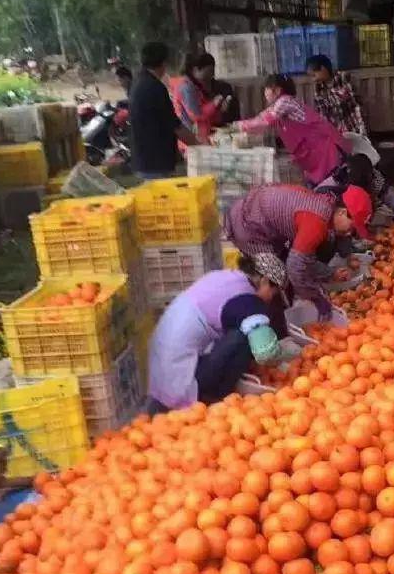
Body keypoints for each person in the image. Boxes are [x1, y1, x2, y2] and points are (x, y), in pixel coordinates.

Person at [147, 258, 282, 413]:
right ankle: (216, 398)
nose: (270, 299)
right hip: (180, 379)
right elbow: (265, 352)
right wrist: (284, 354)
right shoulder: (247, 300)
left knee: (240, 333)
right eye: (273, 293)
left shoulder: (227, 278)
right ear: (264, 281)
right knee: (244, 336)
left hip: (161, 371)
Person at [225, 183, 373, 320]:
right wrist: (315, 297)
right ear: (342, 212)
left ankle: (284, 315)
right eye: (352, 227)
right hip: (249, 226)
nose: (349, 233)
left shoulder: (325, 206)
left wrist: (329, 273)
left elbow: (305, 258)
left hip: (260, 217)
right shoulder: (317, 223)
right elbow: (295, 267)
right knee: (274, 281)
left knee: (284, 274)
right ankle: (269, 326)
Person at [234, 75, 348, 187]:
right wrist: (241, 125)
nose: (265, 93)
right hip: (314, 150)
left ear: (277, 90)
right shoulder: (278, 105)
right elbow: (261, 118)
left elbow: (265, 121)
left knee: (330, 184)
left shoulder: (284, 101)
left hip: (323, 147)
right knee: (321, 185)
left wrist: (239, 126)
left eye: (266, 89)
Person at [129, 42, 199, 179]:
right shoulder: (155, 88)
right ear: (163, 63)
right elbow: (174, 124)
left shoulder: (137, 83)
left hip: (143, 158)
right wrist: (198, 145)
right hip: (156, 161)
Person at [172, 51, 239, 143]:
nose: (212, 75)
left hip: (203, 135)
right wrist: (214, 104)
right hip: (192, 138)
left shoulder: (197, 85)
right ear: (195, 70)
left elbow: (207, 112)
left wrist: (220, 110)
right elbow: (196, 114)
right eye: (209, 71)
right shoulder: (186, 87)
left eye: (212, 71)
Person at [306, 54, 367, 136]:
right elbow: (322, 114)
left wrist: (362, 130)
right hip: (336, 134)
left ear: (323, 69)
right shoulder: (318, 88)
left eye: (314, 75)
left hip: (354, 130)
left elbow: (357, 106)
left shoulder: (344, 78)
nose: (313, 80)